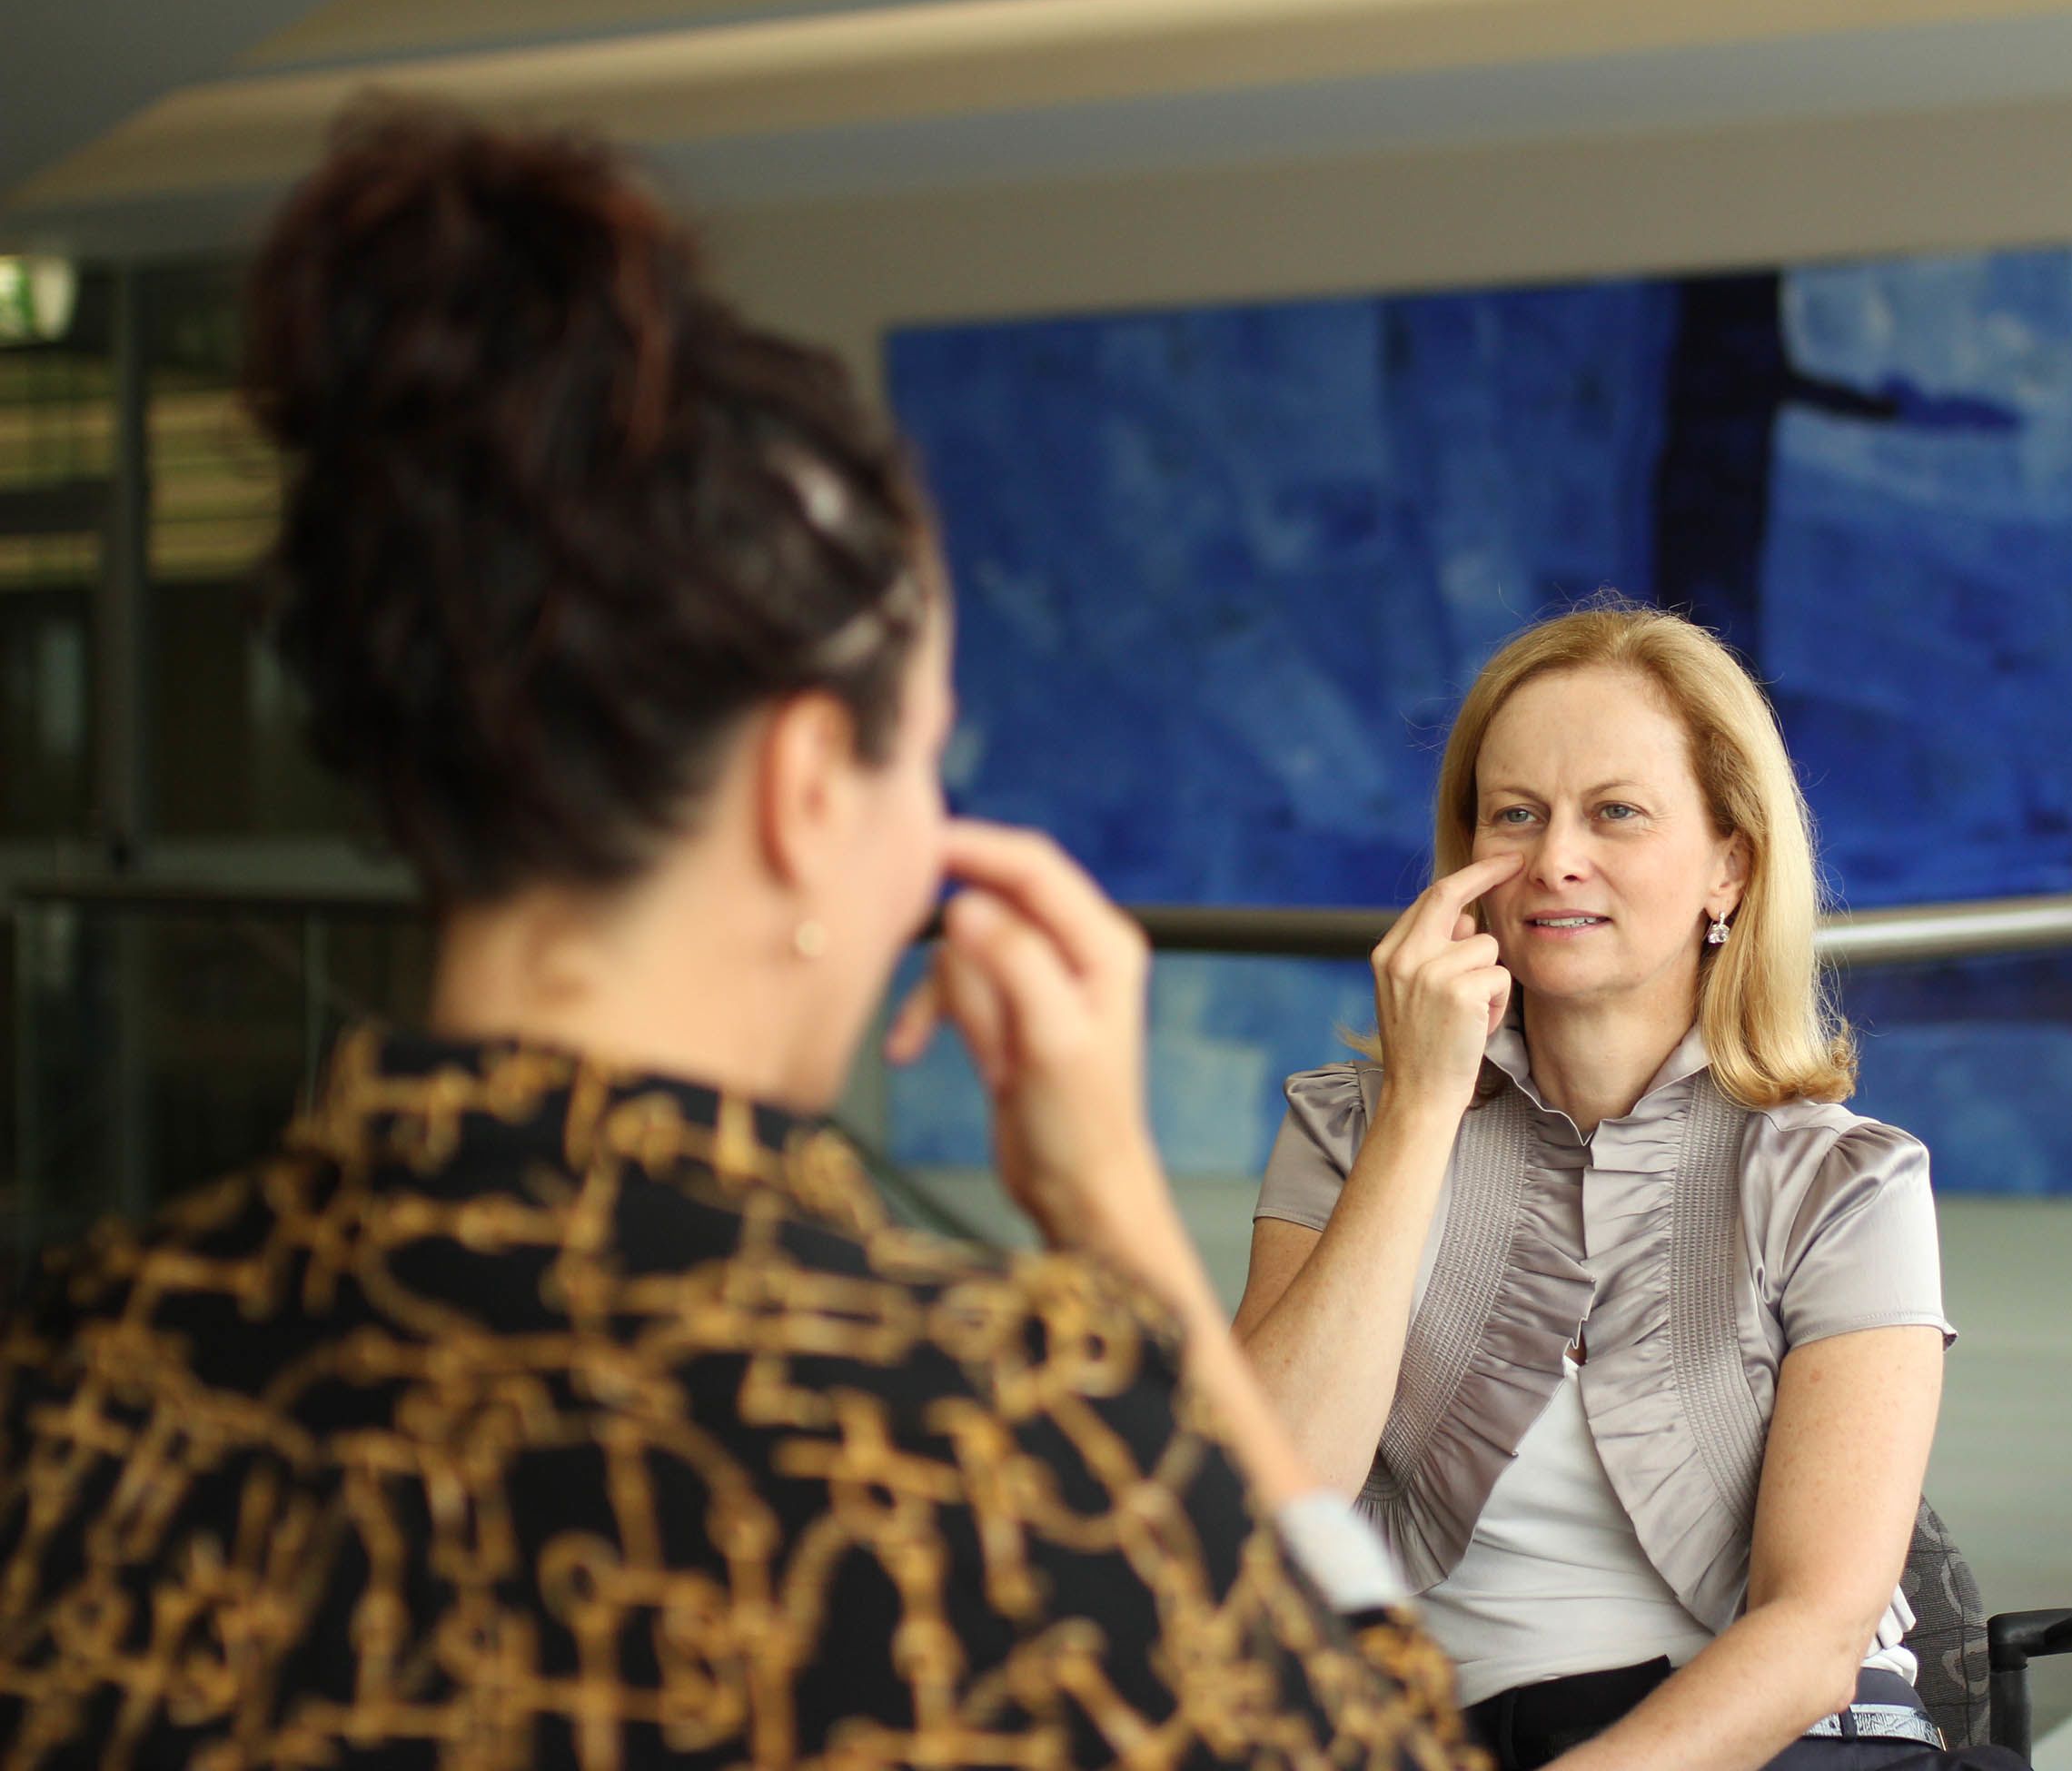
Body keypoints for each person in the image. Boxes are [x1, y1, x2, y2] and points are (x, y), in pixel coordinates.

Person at [0, 106, 1472, 1771]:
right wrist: (1124, 1217)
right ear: (801, 789)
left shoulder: (90, 1362)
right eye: (924, 755)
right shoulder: (1007, 1464)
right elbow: (1376, 1740)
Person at [1236, 604, 2021, 1771]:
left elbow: (1813, 1632)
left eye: (1616, 812)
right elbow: (1263, 1502)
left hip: (1770, 1741)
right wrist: (1418, 1108)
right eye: (1515, 814)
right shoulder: (1347, 1128)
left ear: (1729, 865)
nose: (1555, 857)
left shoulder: (1848, 1181)